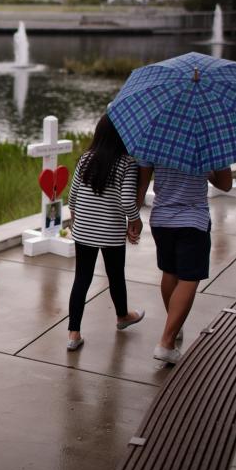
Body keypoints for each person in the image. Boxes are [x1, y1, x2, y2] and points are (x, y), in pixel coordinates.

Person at [138, 163, 232, 364]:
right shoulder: (208, 138)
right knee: (189, 278)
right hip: (193, 220)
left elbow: (142, 183)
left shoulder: (156, 135)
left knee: (169, 272)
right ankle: (166, 342)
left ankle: (174, 324)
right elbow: (226, 184)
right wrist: (207, 170)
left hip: (161, 219)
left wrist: (133, 216)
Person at [65, 114, 145, 351]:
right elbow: (127, 200)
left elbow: (72, 196)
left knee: (82, 279)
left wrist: (76, 219)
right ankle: (122, 317)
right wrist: (135, 219)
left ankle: (73, 333)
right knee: (115, 275)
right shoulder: (126, 163)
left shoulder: (86, 159)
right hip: (110, 232)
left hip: (84, 231)